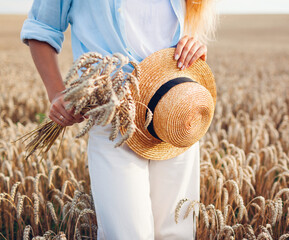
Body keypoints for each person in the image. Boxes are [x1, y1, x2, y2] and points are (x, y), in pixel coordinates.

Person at [21, 0, 217, 239]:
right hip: (113, 117)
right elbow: (42, 27)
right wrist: (56, 93)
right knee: (128, 234)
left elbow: (174, 25)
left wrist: (194, 44)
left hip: (177, 111)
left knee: (177, 232)